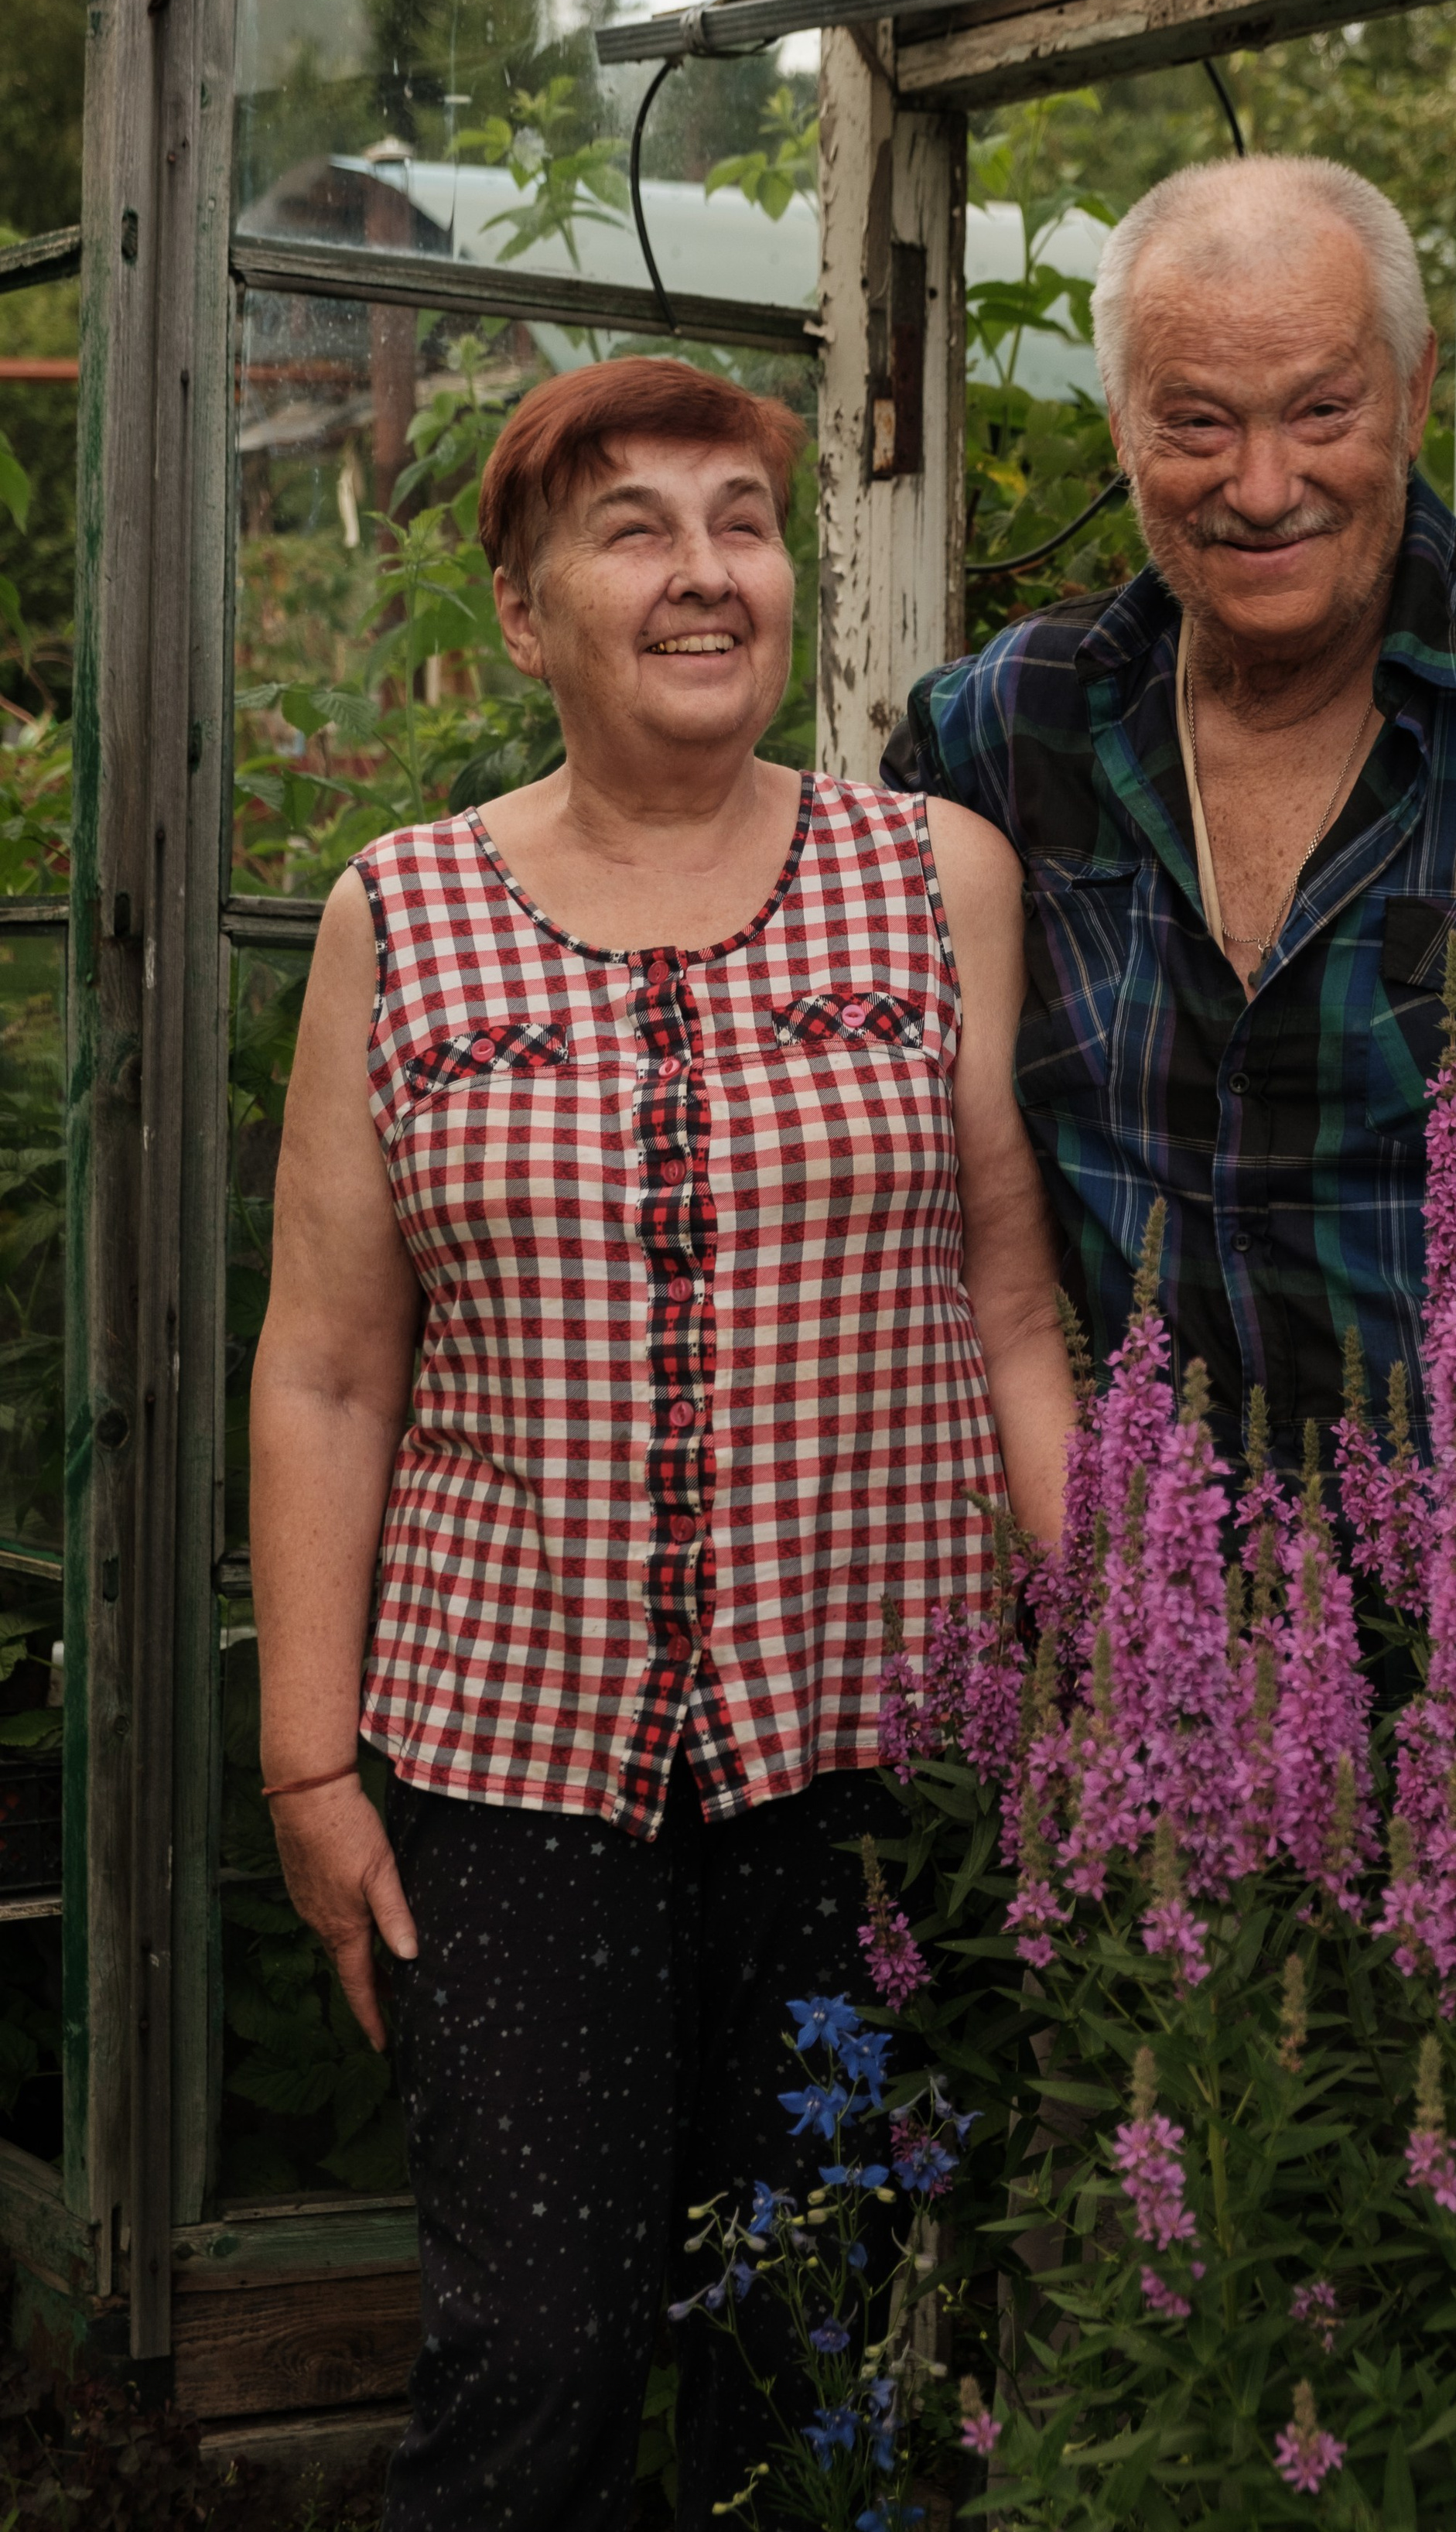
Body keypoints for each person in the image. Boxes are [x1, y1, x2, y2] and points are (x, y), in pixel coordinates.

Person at [250, 356, 1075, 2532]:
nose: (705, 573)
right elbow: (328, 1365)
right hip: (509, 1775)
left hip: (875, 1761)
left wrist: (1096, 1677)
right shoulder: (397, 915)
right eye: (635, 529)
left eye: (740, 521)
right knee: (533, 2352)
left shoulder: (938, 877)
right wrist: (308, 1766)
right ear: (525, 615)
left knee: (809, 2347)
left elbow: (1007, 1303)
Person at [885, 155, 1456, 1472]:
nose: (1265, 487)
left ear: (1415, 390)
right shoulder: (996, 733)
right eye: (1198, 423)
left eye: (1322, 410)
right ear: (1119, 424)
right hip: (1119, 1605)